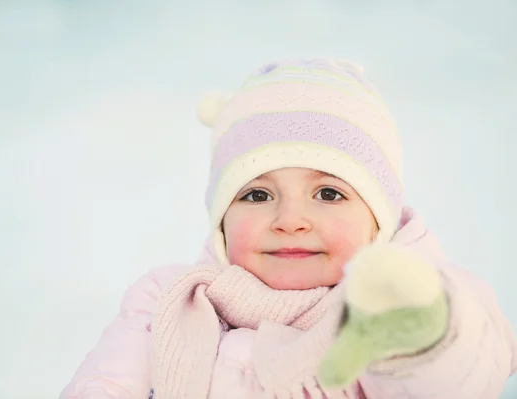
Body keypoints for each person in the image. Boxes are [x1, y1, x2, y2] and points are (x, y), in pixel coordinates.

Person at [59, 58, 517, 398]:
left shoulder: (396, 307)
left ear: (379, 218)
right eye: (257, 195)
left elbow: (465, 374)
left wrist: (423, 329)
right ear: (220, 219)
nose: (291, 221)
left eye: (329, 194)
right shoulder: (170, 300)